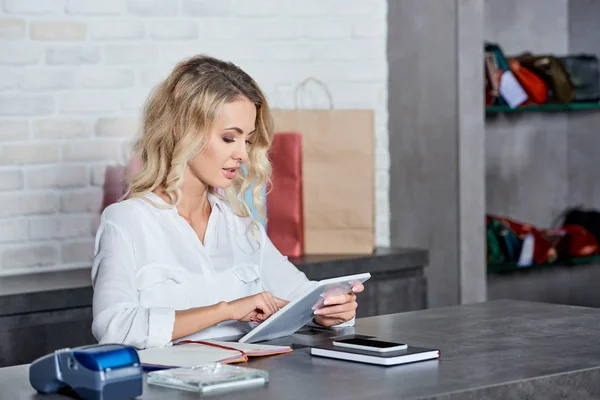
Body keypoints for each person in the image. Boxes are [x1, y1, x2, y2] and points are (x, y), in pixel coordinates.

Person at [91, 54, 364, 349]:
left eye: (247, 140)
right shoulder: (127, 220)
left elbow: (302, 295)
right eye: (228, 138)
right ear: (180, 130)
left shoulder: (241, 226)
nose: (243, 155)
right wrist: (227, 311)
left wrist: (332, 309)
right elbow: (114, 327)